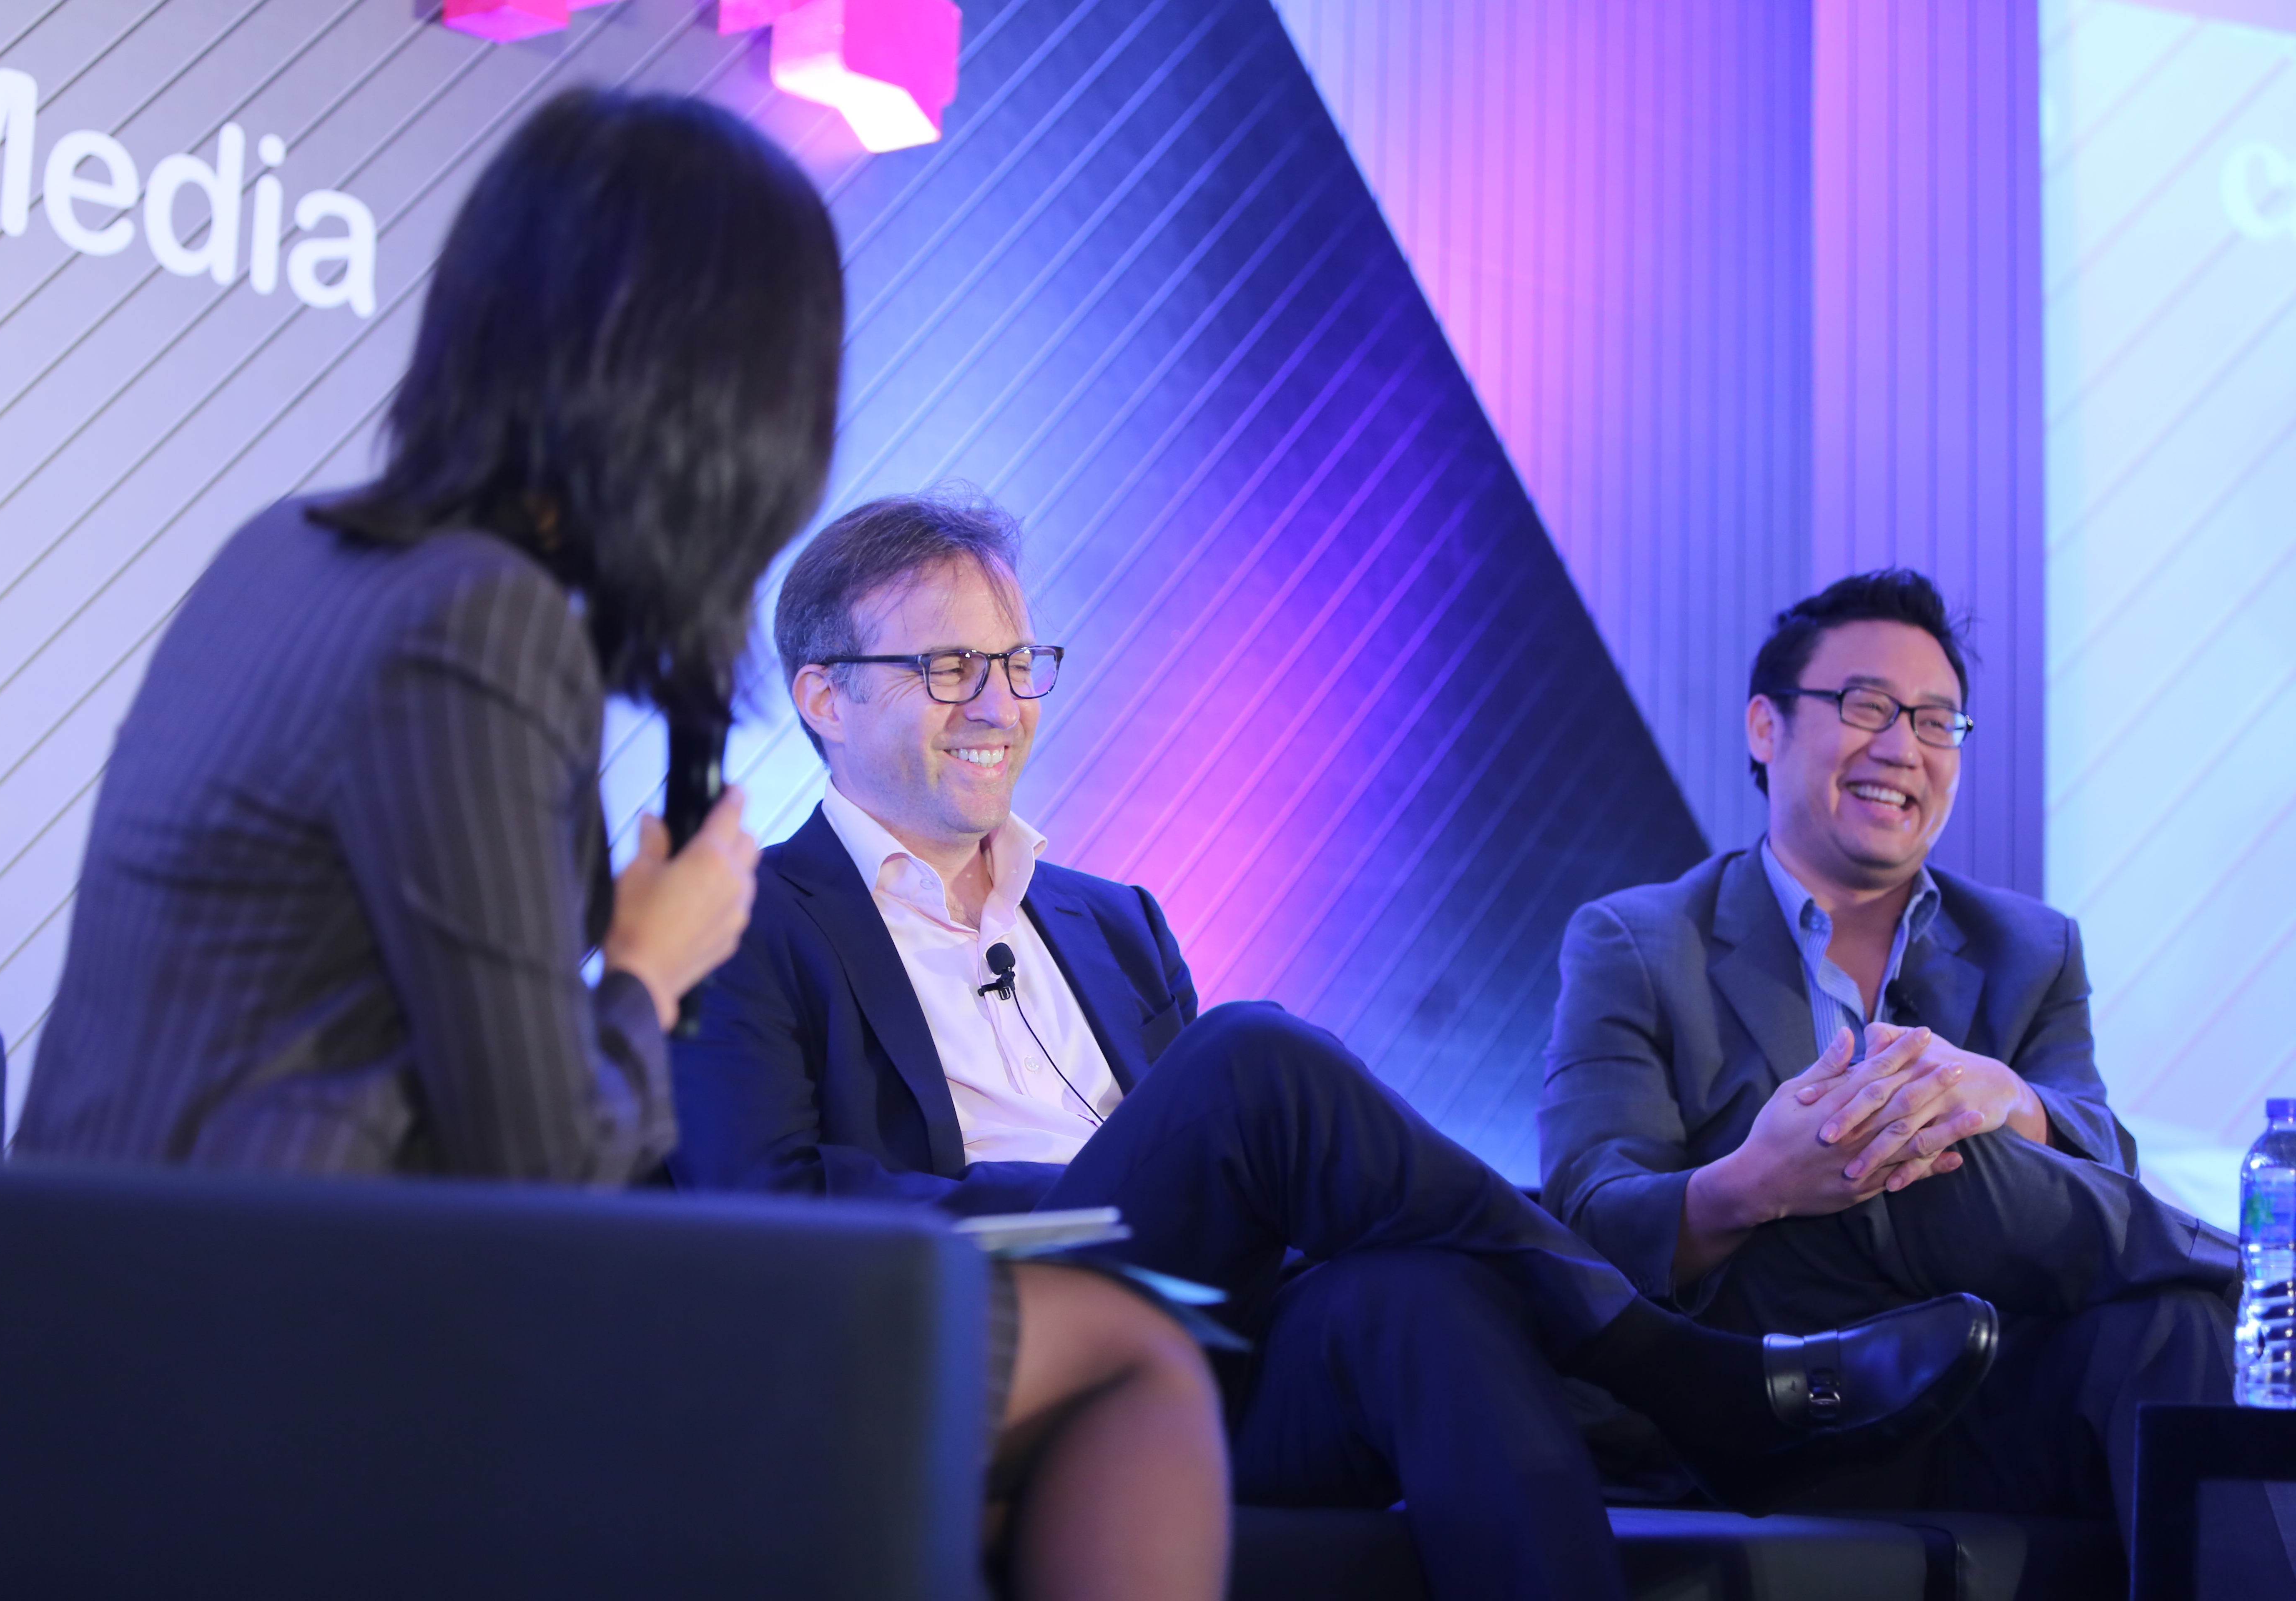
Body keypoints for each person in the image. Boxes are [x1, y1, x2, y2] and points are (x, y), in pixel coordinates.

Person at [13, 91, 1227, 1601]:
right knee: (1133, 1359)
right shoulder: (481, 621)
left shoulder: (293, 545)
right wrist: (650, 965)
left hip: (90, 1311)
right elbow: (543, 1176)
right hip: (299, 1342)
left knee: (959, 1477)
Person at [669, 490, 2005, 1601]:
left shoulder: (1110, 920)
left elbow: (1226, 1205)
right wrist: (1075, 1198)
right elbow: (760, 1211)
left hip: (1185, 1352)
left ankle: (1662, 1403)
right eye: (950, 669)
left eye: (1020, 666)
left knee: (1420, 1298)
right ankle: (1677, 1371)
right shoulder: (748, 920)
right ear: (825, 697)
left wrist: (1217, 1208)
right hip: (965, 1341)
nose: (999, 705)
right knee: (1251, 1060)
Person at [1538, 568, 2240, 1540]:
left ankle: (2230, 1297)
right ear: (1766, 727)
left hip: (1989, 1399)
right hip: (1775, 1403)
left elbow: (2098, 1170)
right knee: (1896, 1148)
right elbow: (1584, 1224)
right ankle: (2250, 1273)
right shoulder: (1639, 942)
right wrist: (1755, 1184)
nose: (1903, 747)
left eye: (1936, 722)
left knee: (2172, 1319)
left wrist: (2006, 1097)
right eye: (1866, 706)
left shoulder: (2031, 948)